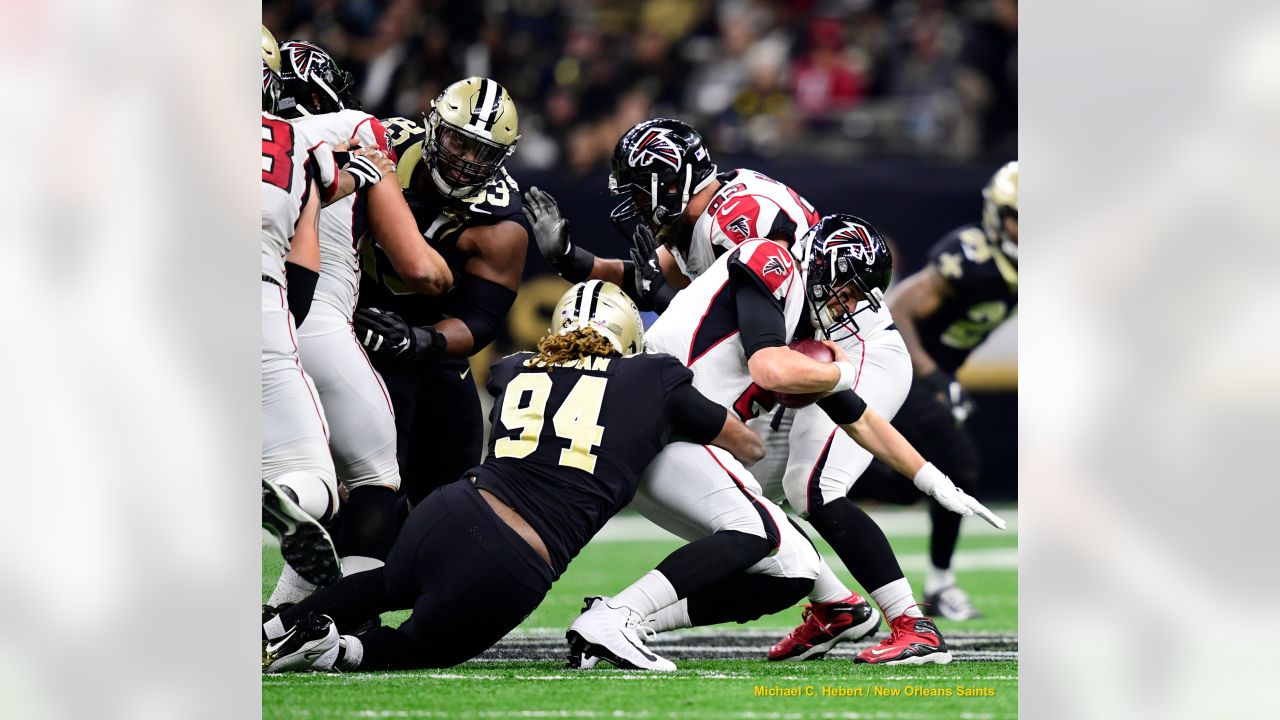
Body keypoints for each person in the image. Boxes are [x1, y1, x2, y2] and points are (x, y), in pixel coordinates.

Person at [527, 118, 977, 664]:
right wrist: (570, 258)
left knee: (812, 488)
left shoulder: (747, 226)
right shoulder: (707, 222)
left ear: (671, 183)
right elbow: (662, 282)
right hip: (793, 358)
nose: (633, 209)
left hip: (844, 347)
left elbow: (768, 333)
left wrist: (919, 466)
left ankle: (911, 622)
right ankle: (835, 606)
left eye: (637, 190)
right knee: (755, 502)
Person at [261, 281, 764, 672]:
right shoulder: (656, 376)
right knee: (418, 647)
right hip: (516, 558)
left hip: (453, 509)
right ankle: (334, 653)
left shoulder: (513, 367)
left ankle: (279, 624)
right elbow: (749, 445)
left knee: (389, 583)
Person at [569, 222, 1003, 670]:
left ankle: (640, 622)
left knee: (793, 571)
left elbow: (859, 418)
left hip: (680, 440)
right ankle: (618, 614)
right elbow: (773, 371)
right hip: (658, 433)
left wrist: (930, 479)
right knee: (770, 526)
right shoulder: (768, 262)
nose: (849, 307)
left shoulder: (792, 319)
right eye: (849, 291)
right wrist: (838, 373)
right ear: (823, 267)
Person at [264, 40, 455, 608]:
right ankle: (339, 618)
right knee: (375, 479)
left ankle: (281, 616)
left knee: (309, 473)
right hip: (310, 321)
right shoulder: (349, 128)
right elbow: (419, 268)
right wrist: (447, 272)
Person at [350, 78, 530, 506]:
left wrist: (418, 340)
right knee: (368, 489)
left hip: (428, 342)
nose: (466, 161)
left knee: (452, 483)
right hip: (348, 319)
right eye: (458, 141)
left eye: (483, 152)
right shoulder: (382, 148)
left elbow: (482, 319)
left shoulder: (501, 222)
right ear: (433, 125)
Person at [259, 26, 393, 587]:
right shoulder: (299, 142)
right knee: (333, 477)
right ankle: (296, 610)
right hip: (266, 308)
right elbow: (303, 276)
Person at [857, 161, 1018, 621]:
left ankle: (839, 482)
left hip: (925, 374)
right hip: (899, 366)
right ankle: (941, 584)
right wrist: (935, 376)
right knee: (959, 464)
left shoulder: (1019, 268)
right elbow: (899, 309)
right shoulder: (970, 257)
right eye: (1020, 217)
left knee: (920, 478)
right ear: (997, 213)